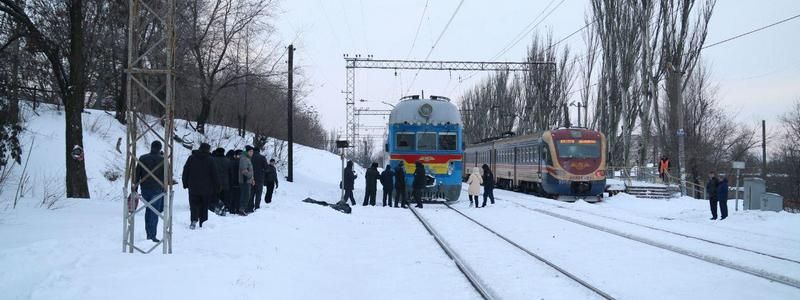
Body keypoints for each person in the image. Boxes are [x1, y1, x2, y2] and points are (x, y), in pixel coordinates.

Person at [182, 143, 219, 229]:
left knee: (194, 204)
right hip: (206, 188)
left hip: (193, 187)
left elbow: (185, 171)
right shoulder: (210, 160)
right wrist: (217, 186)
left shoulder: (191, 158)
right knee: (204, 205)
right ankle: (203, 221)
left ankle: (193, 220)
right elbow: (215, 174)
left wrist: (185, 183)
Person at [134, 141, 165, 242]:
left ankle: (149, 233)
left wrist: (135, 187)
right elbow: (166, 176)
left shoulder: (143, 158)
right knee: (154, 212)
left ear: (151, 147)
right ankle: (152, 235)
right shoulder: (163, 160)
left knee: (148, 210)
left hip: (145, 188)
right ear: (160, 148)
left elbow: (137, 173)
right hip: (157, 189)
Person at [211, 148, 230, 216]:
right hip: (226, 183)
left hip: (215, 183)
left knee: (216, 197)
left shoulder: (212, 160)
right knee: (224, 197)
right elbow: (230, 173)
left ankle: (217, 209)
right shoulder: (228, 161)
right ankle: (224, 210)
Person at [239, 146, 256, 215]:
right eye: (251, 151)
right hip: (244, 180)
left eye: (253, 152)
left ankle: (243, 209)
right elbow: (244, 171)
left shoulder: (248, 159)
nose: (252, 153)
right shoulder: (244, 159)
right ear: (247, 152)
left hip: (248, 180)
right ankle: (241, 209)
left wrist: (252, 179)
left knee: (247, 195)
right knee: (245, 196)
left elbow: (250, 170)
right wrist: (250, 176)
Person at [250, 147, 267, 211]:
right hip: (260, 179)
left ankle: (250, 207)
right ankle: (257, 207)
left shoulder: (250, 157)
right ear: (259, 151)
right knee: (258, 194)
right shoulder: (262, 158)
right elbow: (266, 168)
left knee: (251, 193)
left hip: (251, 178)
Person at [226, 150, 242, 215]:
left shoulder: (230, 162)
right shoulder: (242, 162)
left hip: (231, 182)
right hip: (239, 182)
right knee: (238, 196)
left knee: (232, 196)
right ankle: (237, 209)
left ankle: (232, 209)